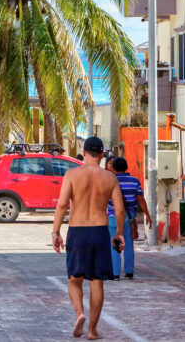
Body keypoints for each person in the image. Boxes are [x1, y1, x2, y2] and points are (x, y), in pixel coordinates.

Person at [52, 136, 126, 340]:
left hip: (78, 231)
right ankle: (92, 330)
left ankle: (79, 314)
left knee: (74, 279)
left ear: (84, 152)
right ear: (102, 155)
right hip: (100, 232)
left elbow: (62, 204)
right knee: (97, 282)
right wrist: (119, 233)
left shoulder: (72, 174)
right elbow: (120, 211)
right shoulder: (110, 178)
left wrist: (56, 232)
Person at [108, 156, 151, 280]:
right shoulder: (134, 181)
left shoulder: (109, 180)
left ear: (114, 168)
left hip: (112, 216)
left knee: (114, 244)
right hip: (129, 217)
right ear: (126, 167)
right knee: (128, 244)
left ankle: (115, 273)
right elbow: (141, 200)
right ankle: (129, 271)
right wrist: (147, 215)